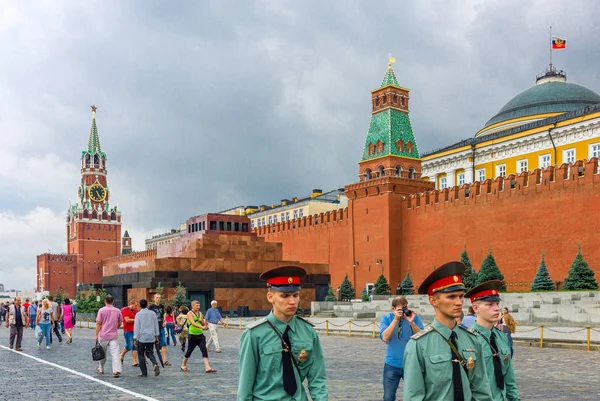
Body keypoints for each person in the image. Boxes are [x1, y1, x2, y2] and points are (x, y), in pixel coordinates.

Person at [403, 261, 493, 401]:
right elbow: (413, 396)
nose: (459, 302)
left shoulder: (472, 340)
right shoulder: (419, 345)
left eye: (461, 296)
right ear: (433, 301)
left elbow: (481, 391)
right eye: (451, 297)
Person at [238, 265, 328, 400]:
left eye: (295, 295)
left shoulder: (308, 332)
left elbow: (317, 379)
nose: (292, 301)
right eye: (285, 296)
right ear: (270, 297)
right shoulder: (254, 334)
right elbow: (245, 385)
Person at [465, 281, 520, 400]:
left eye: (497, 303)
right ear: (476, 308)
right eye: (489, 304)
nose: (496, 309)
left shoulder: (501, 337)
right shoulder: (467, 340)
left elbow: (509, 378)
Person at [380, 296, 424, 401]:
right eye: (399, 309)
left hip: (411, 364)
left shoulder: (413, 318)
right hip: (392, 364)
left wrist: (412, 322)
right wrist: (395, 320)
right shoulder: (386, 318)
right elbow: (385, 337)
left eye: (404, 308)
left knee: (414, 396)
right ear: (393, 309)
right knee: (388, 397)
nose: (403, 311)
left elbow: (422, 337)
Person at [180, 300, 216, 373]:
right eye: (196, 305)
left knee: (204, 350)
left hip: (200, 336)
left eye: (199, 305)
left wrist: (203, 323)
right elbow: (193, 323)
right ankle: (183, 365)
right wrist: (202, 327)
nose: (198, 307)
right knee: (189, 351)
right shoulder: (190, 313)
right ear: (192, 306)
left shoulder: (200, 313)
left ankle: (207, 367)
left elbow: (203, 323)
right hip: (192, 336)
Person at [95, 295, 123, 378]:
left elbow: (98, 323)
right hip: (113, 335)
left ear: (105, 301)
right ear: (113, 301)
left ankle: (101, 368)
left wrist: (96, 334)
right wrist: (116, 327)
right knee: (115, 353)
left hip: (103, 335)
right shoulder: (117, 310)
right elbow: (120, 322)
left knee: (102, 353)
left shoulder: (101, 310)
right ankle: (116, 370)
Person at [133, 299, 160, 377]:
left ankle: (144, 372)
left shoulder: (138, 314)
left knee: (141, 354)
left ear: (140, 305)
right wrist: (156, 336)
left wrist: (135, 338)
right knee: (150, 352)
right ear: (147, 304)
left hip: (142, 337)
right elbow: (156, 325)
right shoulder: (153, 314)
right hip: (151, 336)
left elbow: (137, 327)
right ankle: (155, 364)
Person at [148, 293, 170, 366]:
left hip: (160, 327)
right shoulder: (151, 307)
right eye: (157, 297)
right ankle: (146, 359)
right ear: (154, 298)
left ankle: (164, 360)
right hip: (153, 328)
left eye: (159, 297)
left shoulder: (161, 306)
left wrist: (164, 321)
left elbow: (162, 315)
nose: (158, 299)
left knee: (163, 343)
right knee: (149, 344)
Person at [120, 299, 139, 367]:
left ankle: (134, 361)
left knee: (135, 346)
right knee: (129, 345)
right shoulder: (125, 310)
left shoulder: (136, 311)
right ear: (132, 304)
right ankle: (122, 355)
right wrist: (136, 320)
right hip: (128, 330)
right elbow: (127, 320)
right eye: (136, 305)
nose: (137, 307)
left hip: (135, 330)